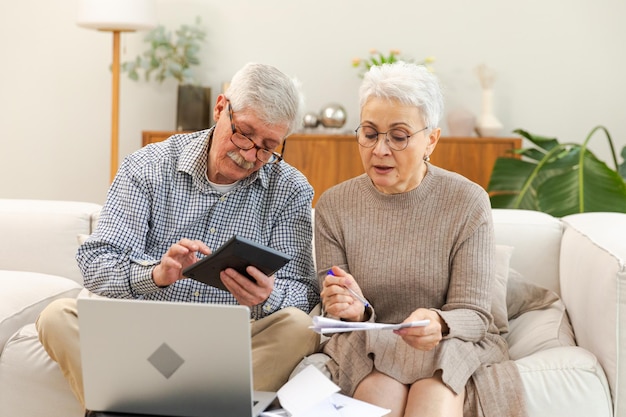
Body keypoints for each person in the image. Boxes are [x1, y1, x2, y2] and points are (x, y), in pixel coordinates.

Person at [36, 62, 320, 410]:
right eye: (244, 133)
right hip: (144, 336)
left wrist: (267, 295)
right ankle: (203, 406)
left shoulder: (290, 189)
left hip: (232, 343)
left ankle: (136, 404)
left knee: (299, 327)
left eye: (267, 146)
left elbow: (305, 293)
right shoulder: (146, 166)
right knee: (55, 317)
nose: (249, 154)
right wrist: (156, 274)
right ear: (220, 108)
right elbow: (98, 263)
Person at [314, 61, 527, 417]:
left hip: (448, 342)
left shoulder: (467, 200)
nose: (380, 149)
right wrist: (351, 310)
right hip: (369, 341)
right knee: (380, 393)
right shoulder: (334, 205)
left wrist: (441, 322)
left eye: (398, 136)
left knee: (434, 396)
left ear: (431, 140)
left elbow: (474, 314)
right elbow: (334, 311)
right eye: (369, 133)